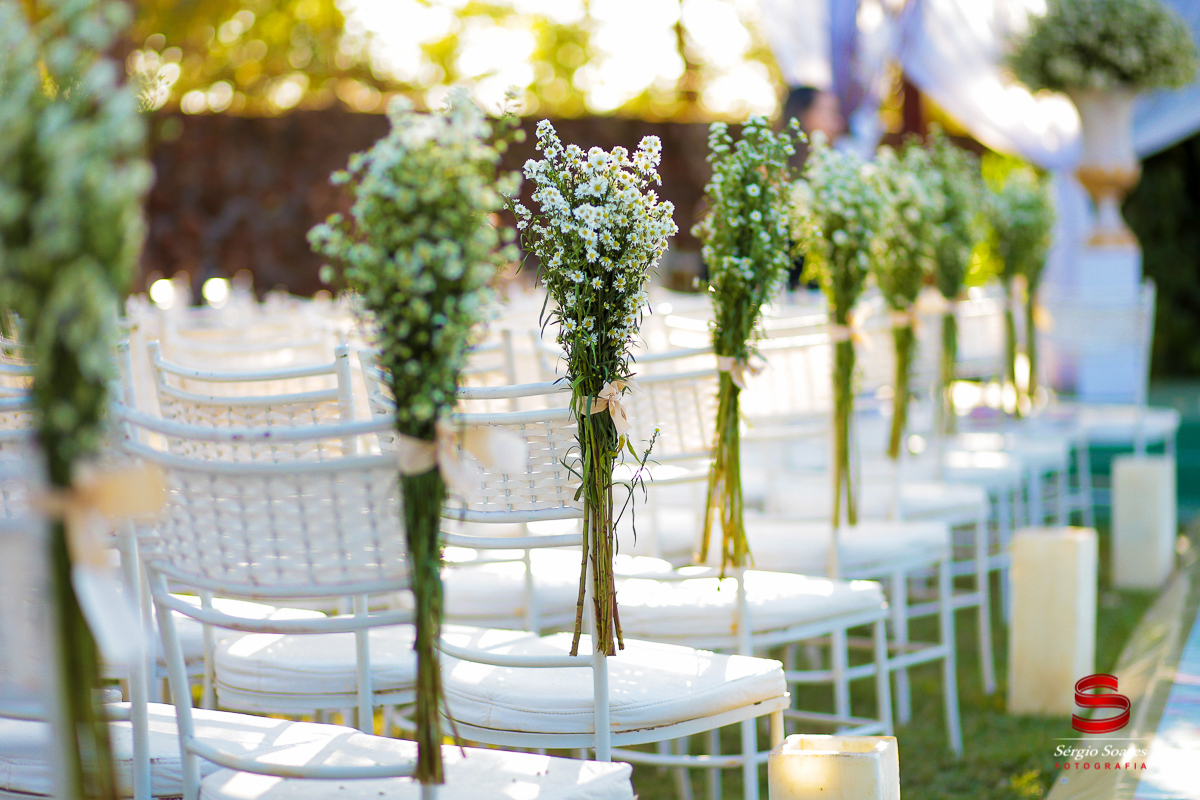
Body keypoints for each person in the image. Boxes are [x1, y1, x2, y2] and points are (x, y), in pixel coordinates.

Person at [782, 86, 847, 289]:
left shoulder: (839, 172)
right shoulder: (774, 171)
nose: (839, 123)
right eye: (831, 113)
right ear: (805, 117)